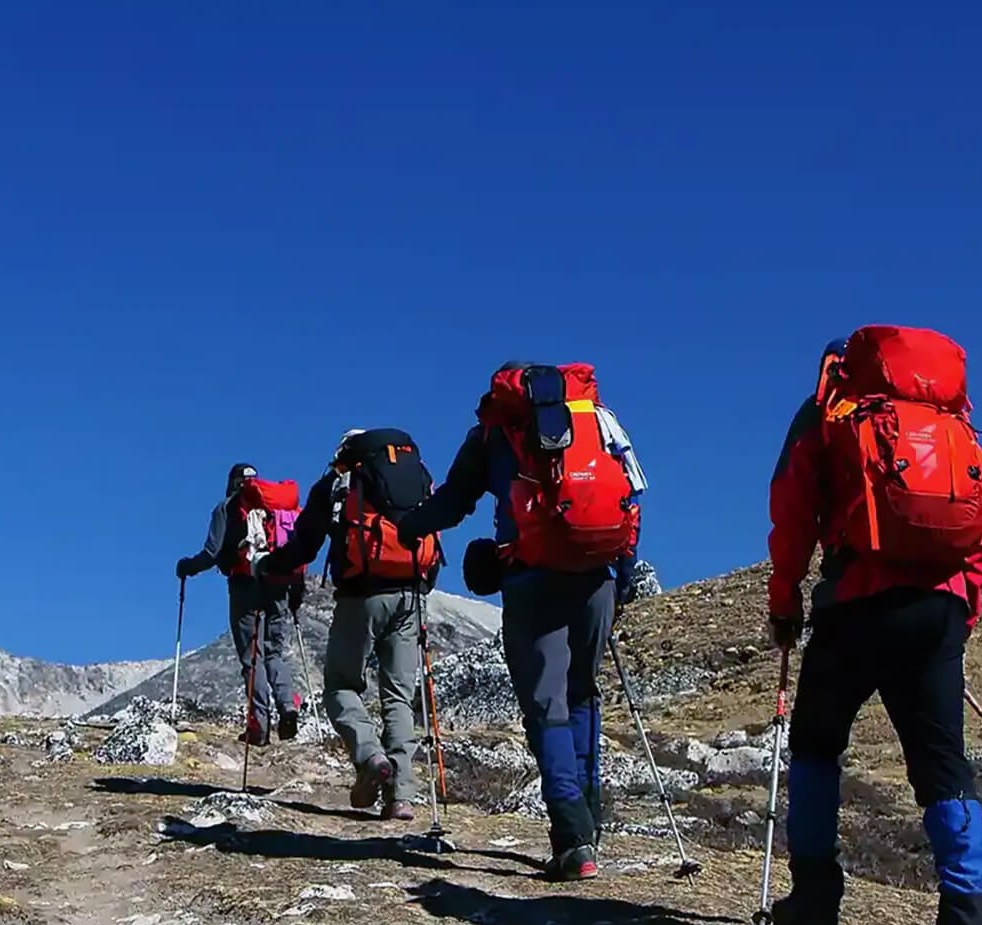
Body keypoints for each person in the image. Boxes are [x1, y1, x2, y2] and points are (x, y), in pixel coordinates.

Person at [766, 328, 982, 925]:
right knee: (943, 764)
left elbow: (791, 508)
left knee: (817, 743)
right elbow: (981, 524)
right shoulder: (948, 419)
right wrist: (960, 612)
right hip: (939, 608)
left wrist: (784, 600)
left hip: (856, 602)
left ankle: (815, 897)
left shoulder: (830, 409)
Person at [399, 363, 646, 881]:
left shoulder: (493, 433)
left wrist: (410, 526)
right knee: (581, 695)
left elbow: (452, 502)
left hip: (531, 578)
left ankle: (572, 837)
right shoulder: (598, 420)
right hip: (597, 573)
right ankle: (588, 825)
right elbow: (631, 494)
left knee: (546, 706)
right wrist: (622, 575)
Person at [258, 429, 440, 820]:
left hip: (361, 596)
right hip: (412, 596)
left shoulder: (338, 485)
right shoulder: (417, 477)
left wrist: (266, 566)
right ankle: (401, 796)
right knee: (398, 696)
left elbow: (303, 547)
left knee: (341, 685)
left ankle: (370, 756)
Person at [176, 463, 304, 744]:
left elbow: (211, 553)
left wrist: (186, 567)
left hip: (245, 584)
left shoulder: (227, 507)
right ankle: (288, 705)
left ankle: (259, 726)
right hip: (279, 583)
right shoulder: (279, 507)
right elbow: (298, 546)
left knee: (251, 658)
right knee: (275, 653)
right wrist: (297, 589)